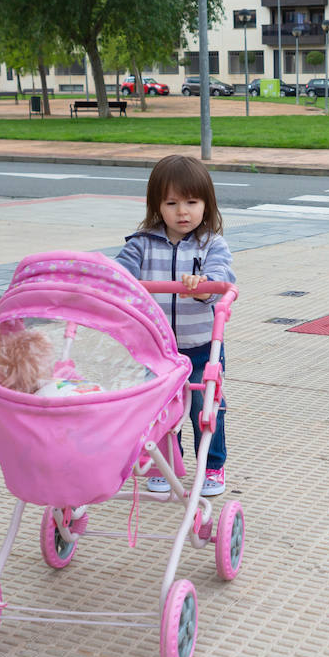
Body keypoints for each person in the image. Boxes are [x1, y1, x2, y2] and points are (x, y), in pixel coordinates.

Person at [116, 154, 237, 495]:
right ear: (157, 206)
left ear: (206, 205)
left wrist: (203, 287)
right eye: (171, 203)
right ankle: (164, 464)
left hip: (201, 348)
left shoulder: (212, 244)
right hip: (158, 349)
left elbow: (221, 278)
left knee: (205, 406)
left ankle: (212, 465)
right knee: (160, 409)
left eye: (191, 202)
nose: (182, 212)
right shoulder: (141, 244)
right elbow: (119, 273)